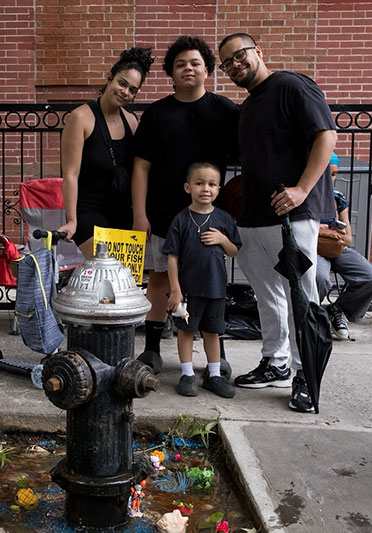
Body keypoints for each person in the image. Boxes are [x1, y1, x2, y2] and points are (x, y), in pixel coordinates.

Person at [218, 33, 337, 413]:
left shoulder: (290, 84)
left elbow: (326, 135)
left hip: (293, 215)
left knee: (300, 296)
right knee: (268, 295)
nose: (236, 65)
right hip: (254, 216)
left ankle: (305, 375)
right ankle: (276, 361)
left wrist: (303, 189)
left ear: (258, 52)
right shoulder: (250, 105)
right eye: (228, 63)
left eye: (241, 55)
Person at [132, 36, 239, 371]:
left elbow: (249, 154)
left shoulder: (225, 110)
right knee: (160, 279)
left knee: (210, 283)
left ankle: (214, 355)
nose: (188, 68)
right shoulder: (156, 114)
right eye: (180, 64)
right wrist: (139, 214)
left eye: (195, 63)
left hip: (210, 219)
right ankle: (152, 348)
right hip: (163, 213)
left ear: (207, 70)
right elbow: (140, 167)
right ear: (171, 74)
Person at [58, 46, 154, 259]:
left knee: (126, 283)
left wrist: (141, 215)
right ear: (110, 78)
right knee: (108, 271)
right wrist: (72, 220)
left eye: (132, 90)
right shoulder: (81, 118)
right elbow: (70, 175)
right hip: (89, 210)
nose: (125, 92)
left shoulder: (131, 121)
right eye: (122, 83)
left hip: (122, 212)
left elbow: (140, 170)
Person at [163, 162, 241, 398]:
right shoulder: (181, 220)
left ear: (218, 189)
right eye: (199, 183)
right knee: (186, 331)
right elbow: (172, 257)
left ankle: (214, 375)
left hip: (216, 288)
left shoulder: (224, 219)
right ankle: (187, 374)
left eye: (212, 184)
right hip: (188, 290)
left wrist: (221, 239)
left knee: (212, 332)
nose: (205, 188)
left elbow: (234, 250)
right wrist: (175, 290)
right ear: (188, 187)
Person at [316, 153, 372, 340]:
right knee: (320, 278)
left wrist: (335, 231)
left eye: (333, 175)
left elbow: (348, 239)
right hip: (313, 248)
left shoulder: (338, 198)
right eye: (325, 174)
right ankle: (312, 318)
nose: (330, 180)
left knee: (368, 275)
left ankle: (339, 310)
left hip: (336, 247)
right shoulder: (303, 196)